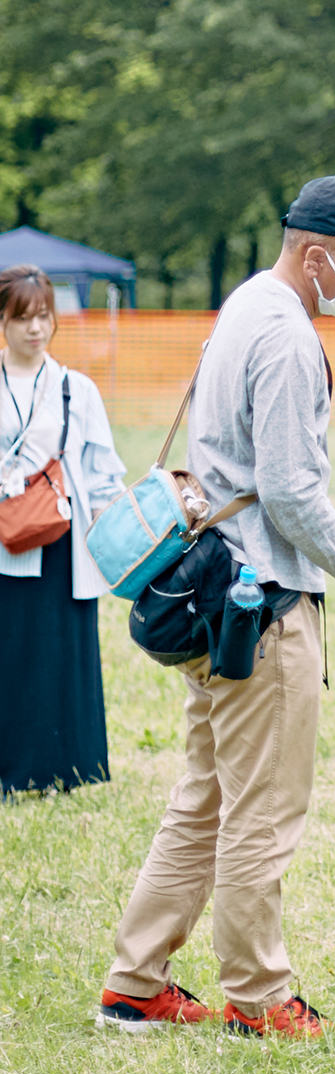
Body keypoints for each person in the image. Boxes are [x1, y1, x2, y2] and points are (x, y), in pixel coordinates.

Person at [100, 175, 335, 1038]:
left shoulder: (244, 304)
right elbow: (289, 494)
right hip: (263, 602)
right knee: (261, 810)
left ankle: (136, 985)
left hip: (215, 595)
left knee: (203, 796)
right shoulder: (285, 335)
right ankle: (259, 996)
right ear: (316, 254)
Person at [0, 265, 126, 795]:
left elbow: (104, 474)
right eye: (23, 317)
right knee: (10, 651)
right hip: (5, 541)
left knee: (61, 653)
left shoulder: (79, 388)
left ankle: (64, 770)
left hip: (65, 543)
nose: (35, 328)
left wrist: (115, 534)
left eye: (44, 316)